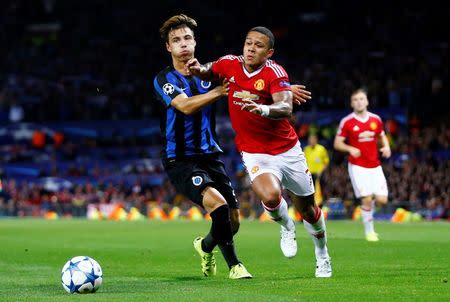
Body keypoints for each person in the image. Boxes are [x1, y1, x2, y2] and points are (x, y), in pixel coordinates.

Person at [187, 26, 332, 278]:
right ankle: (286, 225)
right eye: (248, 43)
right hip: (254, 151)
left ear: (269, 52)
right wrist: (199, 69)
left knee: (308, 210)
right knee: (271, 196)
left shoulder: (275, 72)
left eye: (258, 45)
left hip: (287, 150)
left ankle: (322, 255)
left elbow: (286, 107)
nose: (251, 48)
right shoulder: (230, 64)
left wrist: (263, 108)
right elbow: (211, 70)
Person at [153, 14, 252, 279]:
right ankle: (235, 266)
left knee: (232, 222)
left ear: (195, 42)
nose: (183, 44)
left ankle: (204, 246)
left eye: (187, 38)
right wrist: (218, 93)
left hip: (211, 154)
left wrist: (281, 90)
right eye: (176, 40)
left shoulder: (211, 73)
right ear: (168, 47)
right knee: (218, 206)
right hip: (181, 159)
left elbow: (245, 77)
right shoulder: (164, 79)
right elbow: (184, 106)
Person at [333, 88, 391, 242]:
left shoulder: (375, 120)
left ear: (367, 101)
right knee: (366, 198)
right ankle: (369, 232)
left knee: (382, 200)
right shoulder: (347, 122)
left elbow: (382, 136)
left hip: (375, 165)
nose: (359, 102)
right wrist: (350, 148)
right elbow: (337, 143)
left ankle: (367, 211)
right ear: (352, 103)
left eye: (361, 99)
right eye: (356, 99)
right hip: (357, 166)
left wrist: (386, 147)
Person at [304, 134, 330, 207]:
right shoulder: (306, 149)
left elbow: (326, 162)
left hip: (320, 174)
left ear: (316, 140)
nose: (311, 141)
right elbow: (303, 162)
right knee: (310, 191)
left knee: (321, 190)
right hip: (309, 175)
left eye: (313, 139)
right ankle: (311, 205)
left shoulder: (321, 149)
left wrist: (321, 171)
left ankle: (322, 205)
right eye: (310, 140)